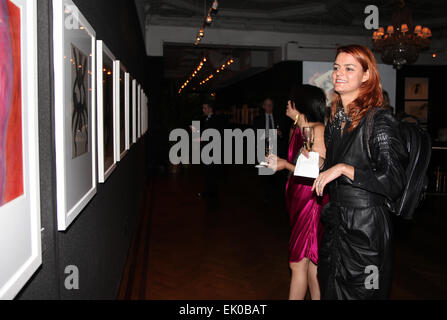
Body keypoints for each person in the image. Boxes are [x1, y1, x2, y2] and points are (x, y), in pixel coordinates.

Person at [313, 44, 408, 300]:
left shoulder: (380, 120)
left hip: (366, 232)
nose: (338, 73)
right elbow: (333, 169)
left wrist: (344, 169)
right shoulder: (337, 120)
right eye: (336, 68)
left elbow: (394, 181)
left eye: (349, 68)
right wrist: (317, 164)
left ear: (366, 75)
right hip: (336, 225)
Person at [266, 85, 329, 300]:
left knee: (298, 262)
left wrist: (285, 165)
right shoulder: (297, 130)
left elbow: (316, 172)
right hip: (298, 199)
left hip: (310, 201)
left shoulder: (317, 129)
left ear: (301, 105)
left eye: (291, 100)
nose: (286, 103)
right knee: (311, 265)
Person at [254, 97, 287, 202]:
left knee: (278, 174)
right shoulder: (258, 119)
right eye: (267, 105)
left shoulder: (279, 117)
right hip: (264, 148)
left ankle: (277, 196)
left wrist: (281, 134)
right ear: (263, 106)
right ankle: (267, 197)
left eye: (271, 105)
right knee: (265, 174)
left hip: (277, 149)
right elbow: (255, 134)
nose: (269, 107)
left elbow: (285, 133)